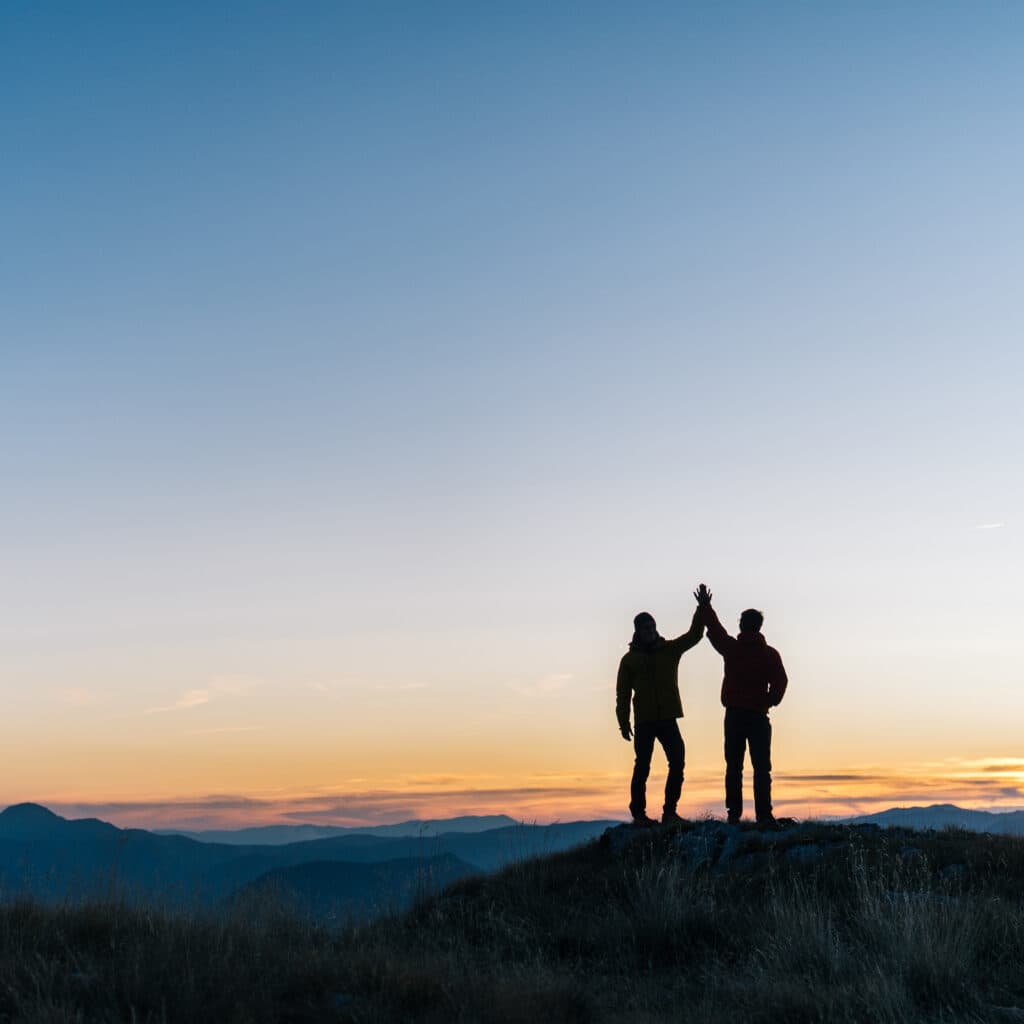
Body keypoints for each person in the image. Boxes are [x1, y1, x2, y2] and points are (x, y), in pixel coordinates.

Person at [695, 584, 788, 828]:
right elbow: (780, 682)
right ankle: (764, 816)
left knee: (734, 767)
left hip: (734, 716)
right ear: (759, 626)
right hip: (758, 717)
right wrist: (768, 701)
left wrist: (705, 606)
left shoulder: (732, 649)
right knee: (761, 769)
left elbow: (714, 630)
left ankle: (734, 814)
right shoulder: (769, 654)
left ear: (741, 625)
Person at [615, 602, 704, 826]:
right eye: (646, 628)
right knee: (642, 766)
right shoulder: (629, 661)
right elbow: (622, 694)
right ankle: (639, 814)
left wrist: (702, 608)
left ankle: (670, 812)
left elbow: (694, 635)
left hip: (667, 718)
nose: (650, 631)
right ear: (637, 631)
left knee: (677, 761)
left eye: (652, 627)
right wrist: (623, 722)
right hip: (644, 721)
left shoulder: (670, 650)